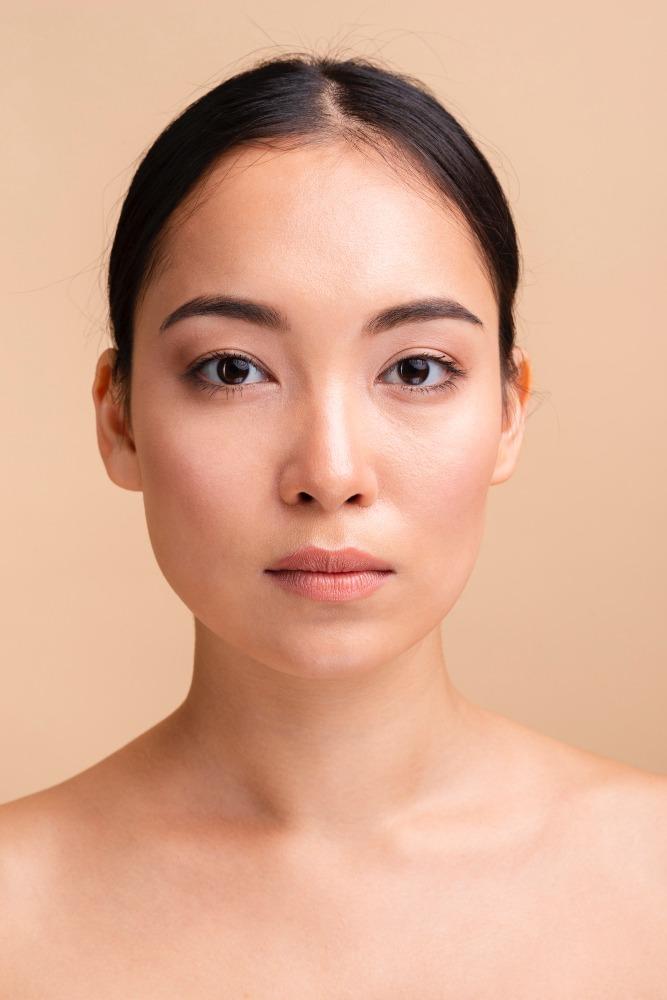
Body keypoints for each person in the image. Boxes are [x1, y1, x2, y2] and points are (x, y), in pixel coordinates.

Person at [1, 52, 665, 997]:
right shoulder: (14, 913)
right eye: (232, 369)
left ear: (510, 411)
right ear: (120, 420)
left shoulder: (651, 883)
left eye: (416, 369)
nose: (331, 473)